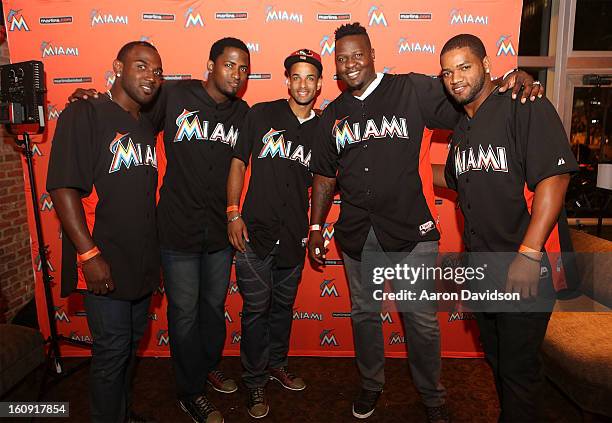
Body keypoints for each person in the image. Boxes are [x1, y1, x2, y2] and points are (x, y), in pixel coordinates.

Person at [307, 23, 543, 422]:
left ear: (372, 54)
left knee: (419, 318)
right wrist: (315, 227)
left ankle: (433, 396)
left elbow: (471, 97)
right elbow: (324, 176)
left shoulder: (411, 90)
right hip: (357, 234)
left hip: (411, 231)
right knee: (364, 313)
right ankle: (370, 383)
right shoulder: (332, 114)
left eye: (357, 55)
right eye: (342, 59)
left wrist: (510, 82)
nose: (350, 65)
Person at [70, 37, 251, 423]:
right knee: (183, 315)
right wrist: (92, 100)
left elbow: (238, 165)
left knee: (212, 311)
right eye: (229, 65)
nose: (236, 74)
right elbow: (127, 111)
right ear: (210, 64)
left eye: (243, 68)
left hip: (218, 235)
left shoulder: (242, 113)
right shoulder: (173, 95)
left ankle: (204, 368)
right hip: (175, 232)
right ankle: (190, 391)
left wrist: (233, 212)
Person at [433, 34, 578, 422]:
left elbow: (555, 179)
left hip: (524, 265)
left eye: (465, 67)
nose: (456, 78)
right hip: (484, 267)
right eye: (447, 72)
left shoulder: (524, 104)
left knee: (517, 370)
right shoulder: (462, 130)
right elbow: (451, 178)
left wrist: (528, 255)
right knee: (500, 362)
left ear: (487, 65)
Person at [47, 41, 163, 423]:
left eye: (157, 71)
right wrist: (88, 255)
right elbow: (63, 187)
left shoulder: (145, 126)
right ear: (117, 66)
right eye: (142, 66)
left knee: (128, 349)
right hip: (103, 263)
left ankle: (122, 414)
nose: (151, 76)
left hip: (140, 263)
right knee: (112, 352)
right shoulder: (85, 113)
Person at [226, 49, 323, 418]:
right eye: (296, 77)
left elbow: (325, 183)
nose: (302, 84)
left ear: (318, 84)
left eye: (310, 78)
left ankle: (276, 363)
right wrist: (233, 212)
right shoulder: (261, 114)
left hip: (294, 235)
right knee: (255, 310)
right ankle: (253, 382)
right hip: (254, 234)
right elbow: (238, 162)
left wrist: (315, 227)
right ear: (287, 80)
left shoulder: (324, 128)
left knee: (282, 308)